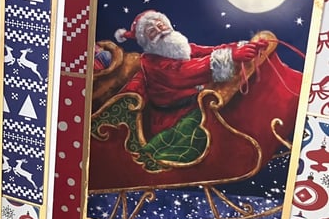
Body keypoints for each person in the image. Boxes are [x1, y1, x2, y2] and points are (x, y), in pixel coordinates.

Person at [114, 10, 267, 137]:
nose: (160, 31)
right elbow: (183, 73)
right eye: (152, 31)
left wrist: (243, 47)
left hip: (195, 103)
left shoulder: (177, 47)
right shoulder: (152, 62)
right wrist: (232, 56)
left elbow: (210, 51)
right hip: (173, 120)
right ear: (146, 41)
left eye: (160, 25)